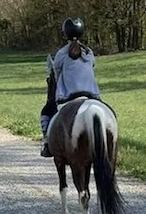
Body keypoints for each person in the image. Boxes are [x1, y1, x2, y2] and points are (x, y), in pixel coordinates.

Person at [39, 17, 102, 157]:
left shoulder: (61, 54)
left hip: (68, 96)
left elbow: (56, 74)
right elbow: (91, 67)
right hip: (92, 95)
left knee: (46, 111)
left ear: (65, 33)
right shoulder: (89, 53)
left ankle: (47, 143)